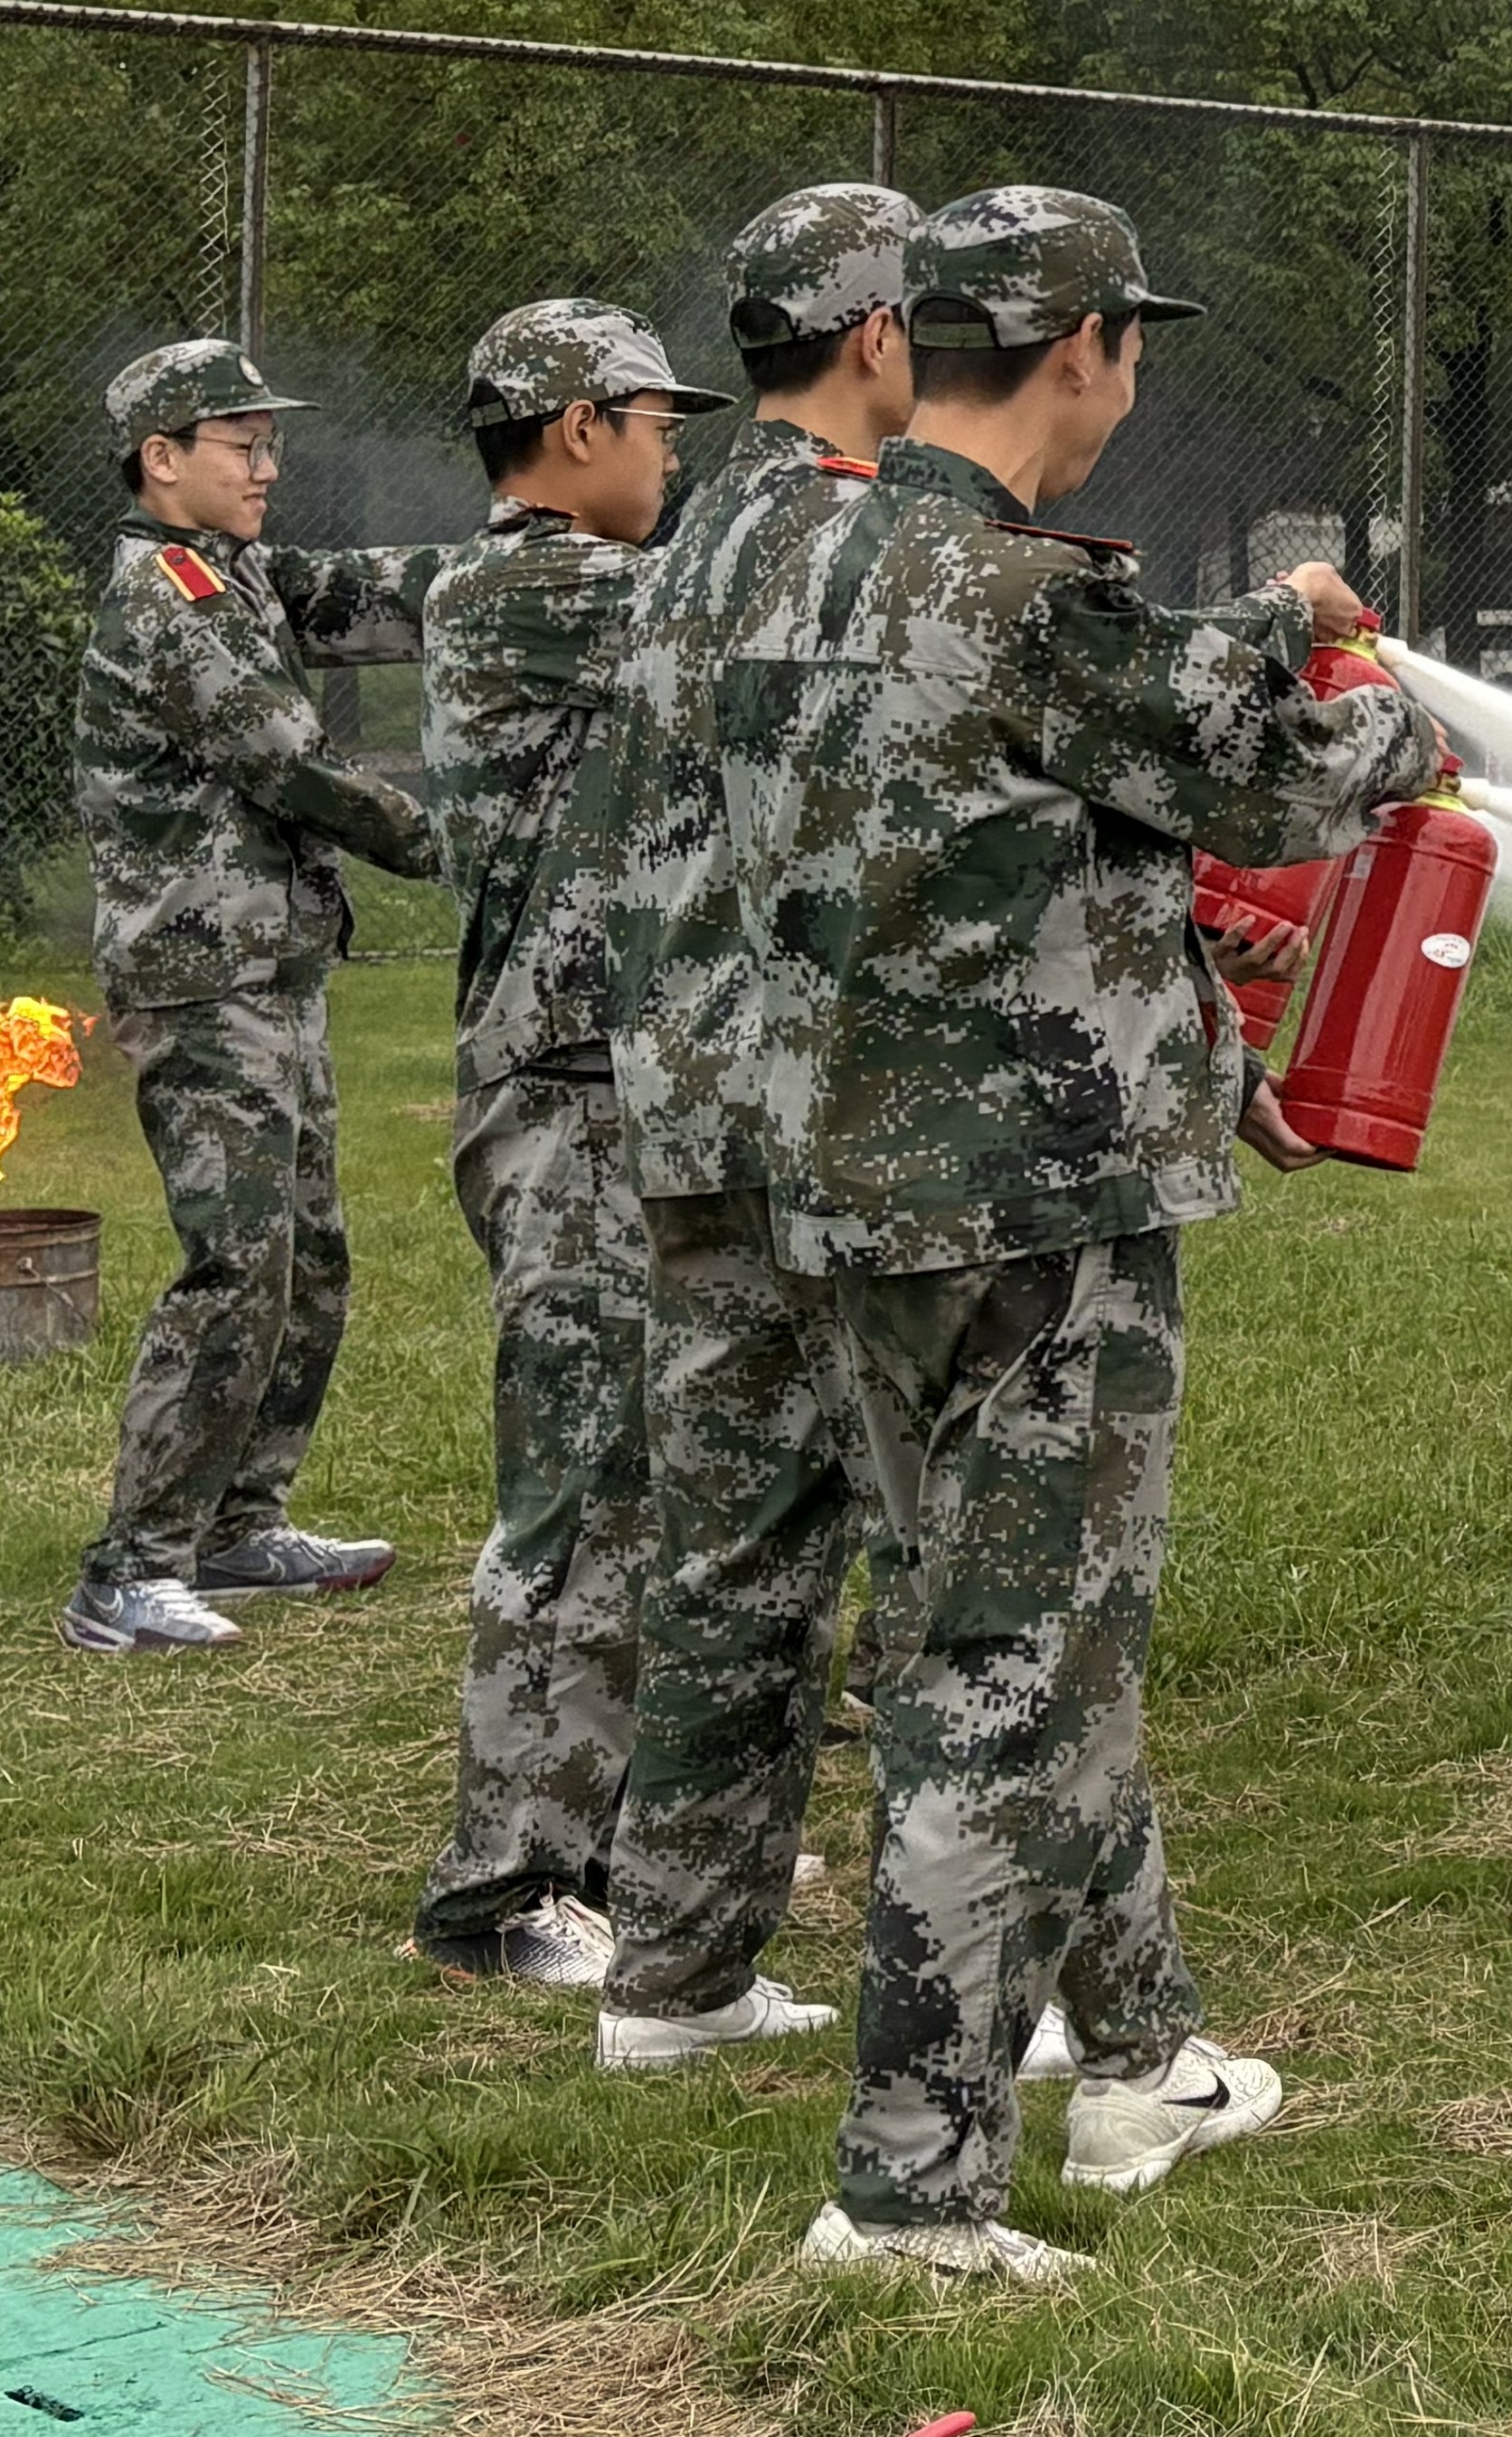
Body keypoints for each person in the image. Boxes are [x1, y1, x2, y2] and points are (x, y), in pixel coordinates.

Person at [705, 186, 1430, 2284]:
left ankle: (1139, 2063)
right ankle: (912, 2198)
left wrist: (1207, 1027)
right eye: (1131, 346)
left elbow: (1043, 803)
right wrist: (1387, 709)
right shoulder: (1027, 596)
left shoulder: (803, 561)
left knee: (1022, 1635)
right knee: (1005, 1683)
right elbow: (1279, 791)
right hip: (1038, 1218)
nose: (1131, 381)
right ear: (1088, 347)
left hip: (854, 1195)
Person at [591, 184, 924, 2071]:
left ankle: (677, 1982)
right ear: (878, 332)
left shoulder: (700, 533)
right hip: (837, 1118)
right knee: (952, 1554)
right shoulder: (860, 542)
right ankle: (994, 1987)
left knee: (732, 1557)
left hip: (693, 1111)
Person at [402, 300, 728, 1989]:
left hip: (626, 1088)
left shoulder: (596, 594)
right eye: (659, 424)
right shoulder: (536, 586)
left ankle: (610, 1845)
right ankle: (506, 1892)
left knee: (653, 1483)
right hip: (570, 1096)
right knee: (585, 1489)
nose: (673, 455)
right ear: (578, 426)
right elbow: (790, 632)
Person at [60, 341, 447, 1657]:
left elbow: (373, 594)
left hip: (266, 968)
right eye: (243, 443)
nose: (270, 465)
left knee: (308, 1257)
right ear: (162, 458)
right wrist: (462, 837)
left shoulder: (235, 574)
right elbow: (297, 770)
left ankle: (237, 1525)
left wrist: (529, 562)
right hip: (201, 977)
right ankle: (128, 1572)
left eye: (271, 442)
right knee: (238, 1262)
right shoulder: (169, 598)